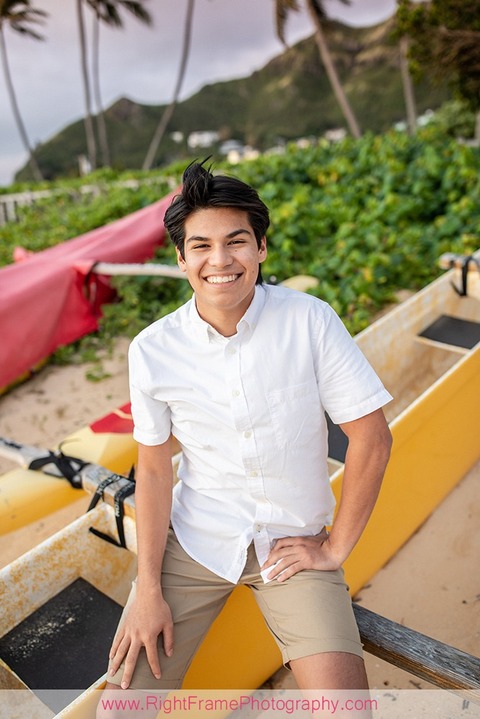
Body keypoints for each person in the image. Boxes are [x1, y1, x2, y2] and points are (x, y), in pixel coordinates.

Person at [99, 160, 392, 706]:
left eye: (236, 242)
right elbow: (156, 469)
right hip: (195, 543)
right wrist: (148, 589)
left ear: (260, 247)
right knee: (120, 708)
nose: (220, 261)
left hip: (292, 548)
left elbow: (372, 437)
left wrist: (335, 548)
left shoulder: (310, 320)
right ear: (182, 258)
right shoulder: (153, 350)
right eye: (202, 246)